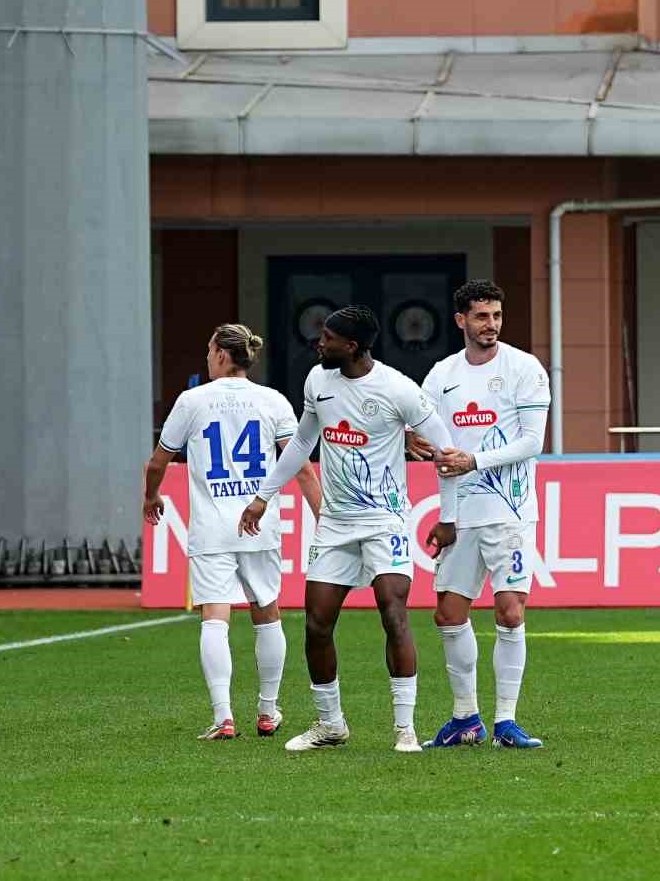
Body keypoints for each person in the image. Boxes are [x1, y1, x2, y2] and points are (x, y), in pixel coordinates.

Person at [238, 306, 459, 754]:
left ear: (352, 347)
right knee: (317, 623)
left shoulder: (398, 389)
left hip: (385, 521)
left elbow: (447, 451)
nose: (319, 343)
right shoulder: (317, 382)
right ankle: (331, 724)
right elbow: (303, 441)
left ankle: (404, 729)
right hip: (335, 524)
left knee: (393, 613)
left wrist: (448, 517)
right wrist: (263, 495)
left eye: (328, 338)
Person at [143, 325, 323, 740]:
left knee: (214, 616)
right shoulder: (272, 400)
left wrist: (151, 496)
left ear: (222, 355)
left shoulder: (192, 400)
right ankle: (268, 710)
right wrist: (324, 518)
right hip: (259, 525)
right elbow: (302, 467)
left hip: (212, 528)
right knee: (267, 612)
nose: (207, 357)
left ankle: (223, 717)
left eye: (210, 350)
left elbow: (158, 462)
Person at [413, 280, 550, 750]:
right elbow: (434, 446)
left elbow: (533, 442)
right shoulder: (441, 375)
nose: (491, 324)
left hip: (510, 512)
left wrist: (475, 461)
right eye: (481, 316)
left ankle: (507, 721)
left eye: (496, 315)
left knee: (509, 612)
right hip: (461, 514)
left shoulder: (524, 368)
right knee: (448, 613)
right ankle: (465, 718)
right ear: (461, 321)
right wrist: (446, 513)